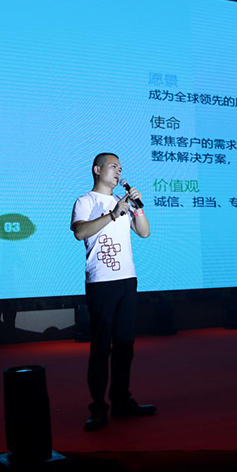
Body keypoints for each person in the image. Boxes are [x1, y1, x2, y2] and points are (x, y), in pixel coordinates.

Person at [71, 152, 155, 431]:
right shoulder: (86, 201)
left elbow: (144, 232)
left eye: (120, 168)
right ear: (97, 170)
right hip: (101, 282)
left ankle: (121, 400)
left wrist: (137, 208)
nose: (118, 171)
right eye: (113, 166)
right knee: (100, 347)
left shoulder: (124, 201)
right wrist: (112, 214)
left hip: (127, 280)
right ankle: (98, 408)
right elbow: (80, 232)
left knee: (125, 345)